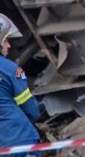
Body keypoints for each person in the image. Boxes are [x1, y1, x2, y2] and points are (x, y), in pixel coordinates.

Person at [0, 13, 40, 149]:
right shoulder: (11, 69)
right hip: (19, 138)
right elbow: (31, 109)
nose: (9, 45)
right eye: (5, 40)